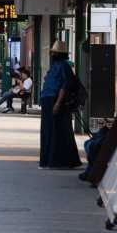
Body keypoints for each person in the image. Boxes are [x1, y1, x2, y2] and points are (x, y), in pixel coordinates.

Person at [39, 41, 82, 169]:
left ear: (59, 54)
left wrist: (58, 103)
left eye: (54, 52)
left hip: (55, 100)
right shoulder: (55, 66)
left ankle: (58, 161)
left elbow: (65, 86)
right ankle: (49, 160)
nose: (52, 54)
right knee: (49, 131)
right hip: (48, 100)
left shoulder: (64, 66)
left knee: (57, 131)